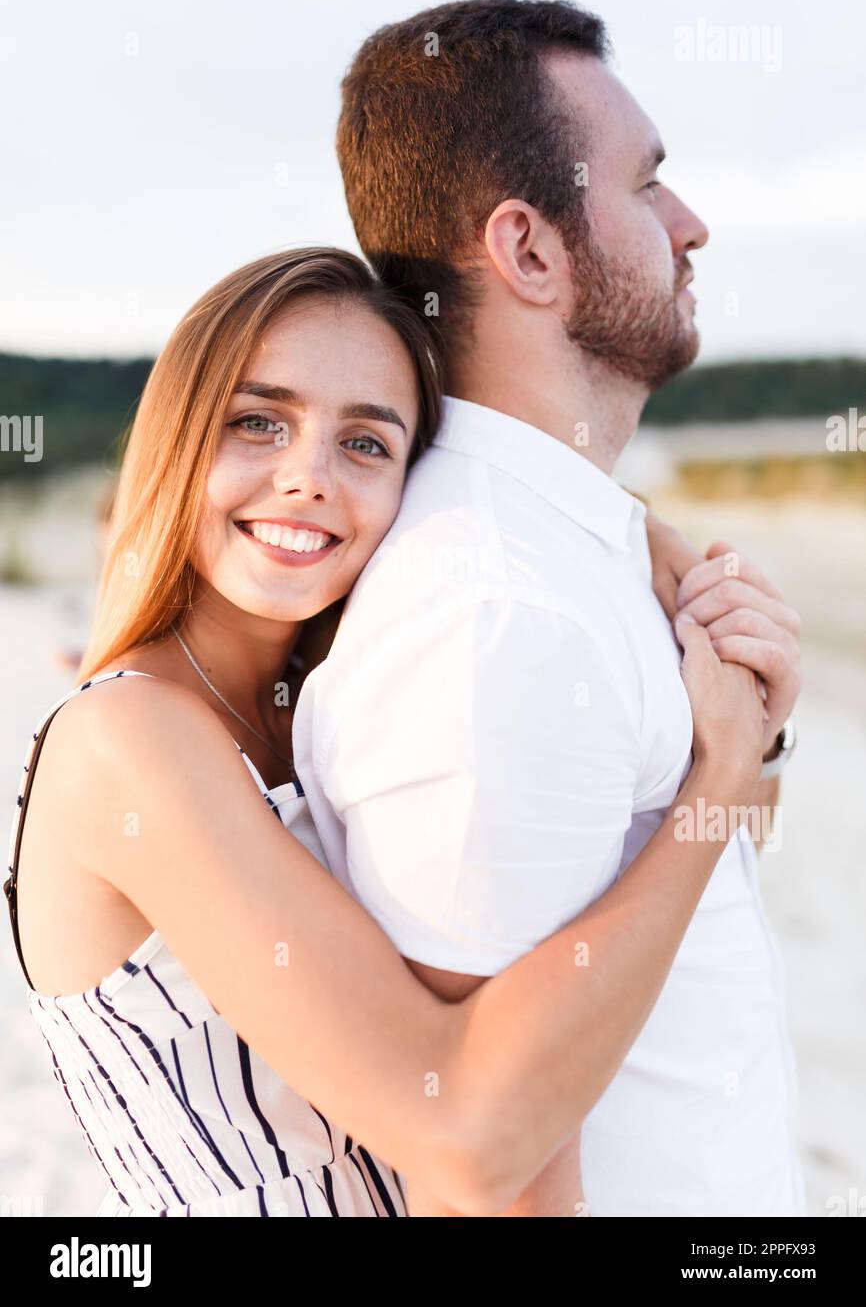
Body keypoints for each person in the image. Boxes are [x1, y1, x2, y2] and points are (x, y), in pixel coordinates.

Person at [6, 246, 768, 1218]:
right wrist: (719, 775)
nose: (307, 478)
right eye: (256, 422)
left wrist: (654, 560)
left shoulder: (319, 700)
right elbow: (466, 1142)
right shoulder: (131, 739)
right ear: (176, 437)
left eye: (365, 443)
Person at [290, 0, 807, 1216]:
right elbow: (490, 1169)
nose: (692, 226)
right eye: (649, 186)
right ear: (527, 250)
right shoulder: (495, 613)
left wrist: (751, 744)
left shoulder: (593, 553)